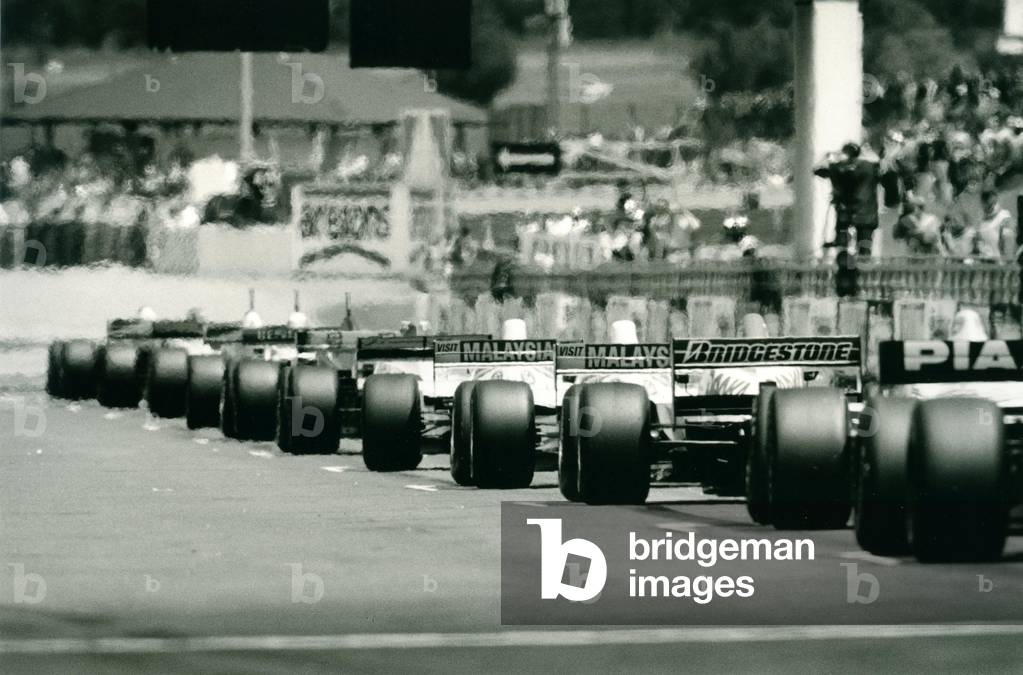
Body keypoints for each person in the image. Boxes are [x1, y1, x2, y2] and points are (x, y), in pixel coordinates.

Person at [814, 142, 880, 257]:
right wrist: (869, 153)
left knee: (842, 243)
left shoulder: (838, 167)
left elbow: (817, 170)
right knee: (864, 245)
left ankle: (845, 266)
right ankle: (864, 267)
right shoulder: (869, 167)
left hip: (845, 210)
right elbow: (884, 167)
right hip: (866, 212)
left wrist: (827, 156)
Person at [975, 190, 1015, 261]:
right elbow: (979, 241)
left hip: (999, 265)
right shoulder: (981, 219)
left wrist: (1006, 264)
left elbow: (1008, 246)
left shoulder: (1004, 218)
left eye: (990, 203)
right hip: (983, 263)